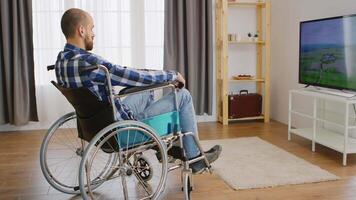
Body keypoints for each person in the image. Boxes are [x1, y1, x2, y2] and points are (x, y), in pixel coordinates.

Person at [56, 8, 221, 174]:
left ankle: (161, 146)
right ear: (81, 30)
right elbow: (127, 74)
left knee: (144, 90)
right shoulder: (89, 63)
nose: (93, 34)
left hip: (96, 128)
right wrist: (171, 75)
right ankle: (195, 159)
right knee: (183, 96)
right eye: (91, 28)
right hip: (124, 132)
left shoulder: (61, 61)